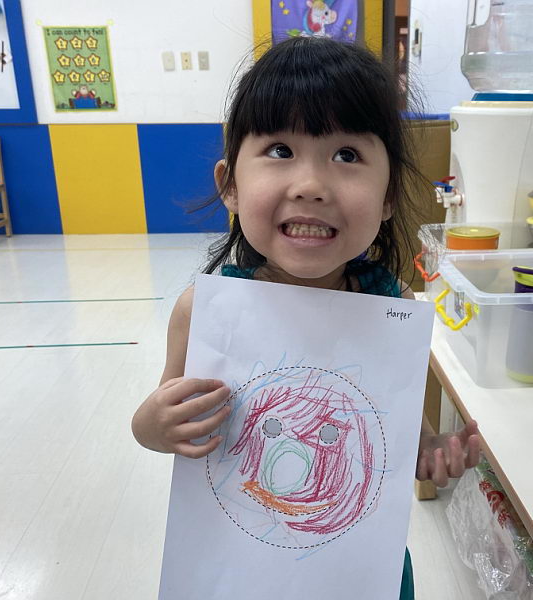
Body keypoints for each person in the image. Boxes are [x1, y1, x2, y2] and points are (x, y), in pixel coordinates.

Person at [131, 36, 479, 599]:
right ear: (230, 185)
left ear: (389, 197)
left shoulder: (392, 306)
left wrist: (431, 451)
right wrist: (153, 424)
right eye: (279, 150)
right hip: (238, 569)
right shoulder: (203, 312)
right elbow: (160, 425)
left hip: (357, 570)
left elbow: (397, 434)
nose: (311, 186)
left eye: (347, 156)